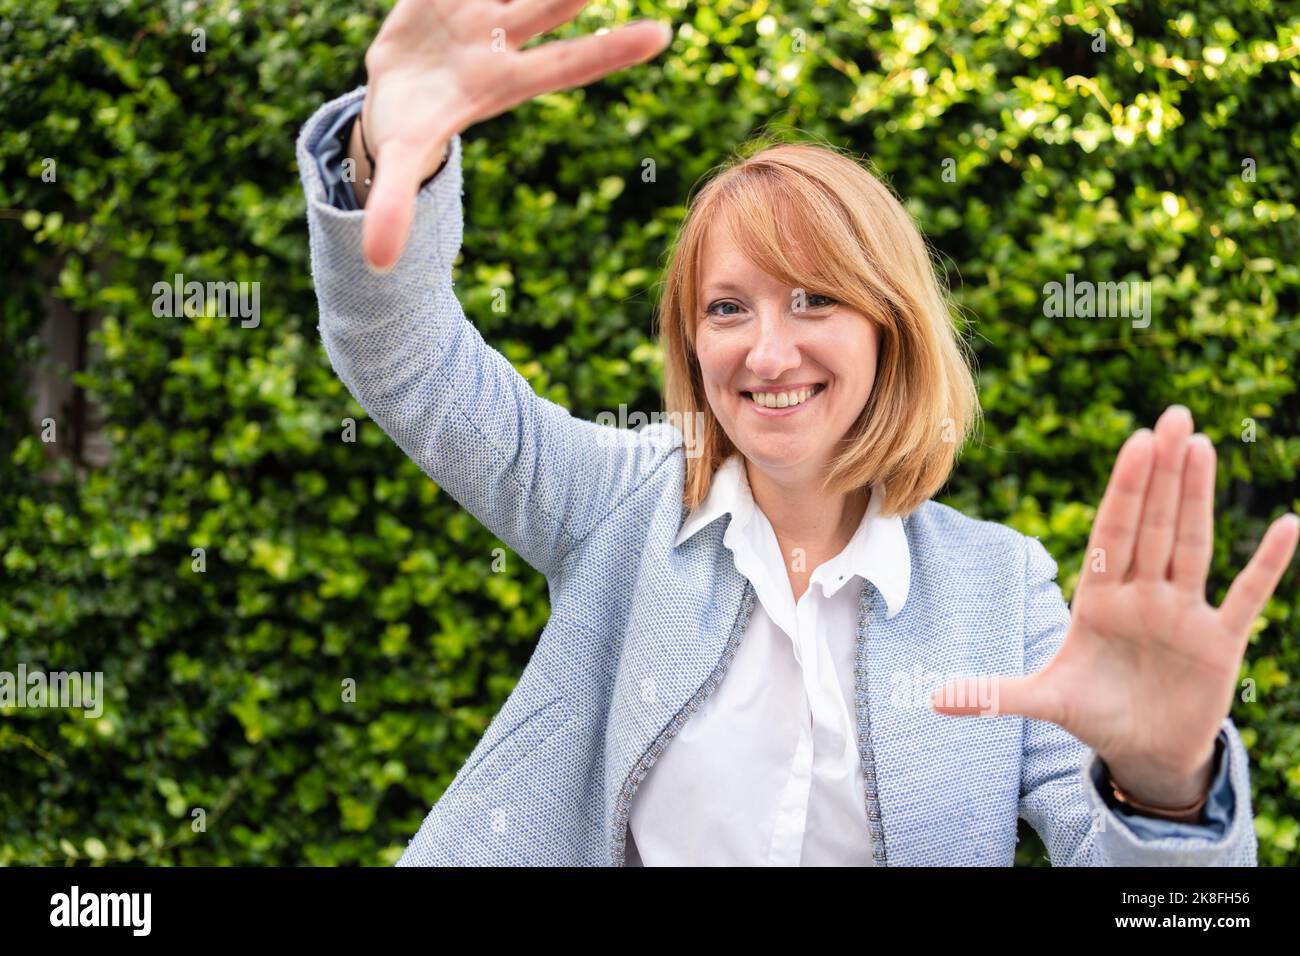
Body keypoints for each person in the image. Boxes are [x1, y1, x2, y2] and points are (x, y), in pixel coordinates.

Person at [294, 0, 1299, 865]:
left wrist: (1166, 787)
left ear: (888, 326)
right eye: (727, 308)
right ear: (691, 341)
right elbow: (410, 361)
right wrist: (390, 149)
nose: (766, 352)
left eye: (815, 299)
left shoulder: (1002, 593)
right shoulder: (613, 502)